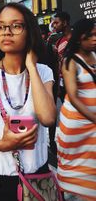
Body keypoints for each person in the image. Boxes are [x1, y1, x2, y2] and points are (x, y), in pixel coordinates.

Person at [0, 3, 57, 201]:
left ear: (30, 31)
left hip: (38, 177)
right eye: (1, 26)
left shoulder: (43, 72)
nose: (6, 32)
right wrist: (3, 144)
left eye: (16, 26)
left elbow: (48, 118)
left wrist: (31, 67)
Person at [57, 18, 96, 201]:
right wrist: (94, 118)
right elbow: (73, 96)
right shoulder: (70, 61)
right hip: (77, 125)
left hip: (92, 123)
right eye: (92, 35)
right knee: (78, 167)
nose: (95, 39)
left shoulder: (95, 56)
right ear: (80, 37)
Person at [52, 11, 72, 102]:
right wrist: (58, 86)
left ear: (64, 23)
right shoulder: (58, 42)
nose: (54, 26)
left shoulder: (77, 39)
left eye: (56, 23)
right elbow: (58, 64)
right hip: (63, 84)